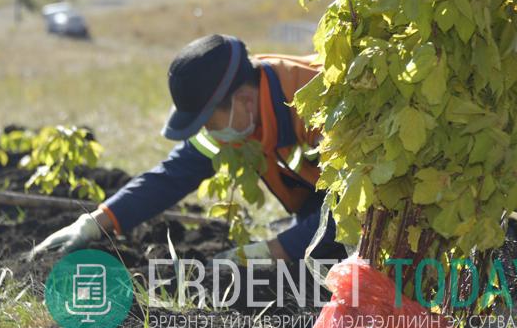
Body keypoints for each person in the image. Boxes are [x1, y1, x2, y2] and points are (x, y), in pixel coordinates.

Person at [32, 34, 342, 264]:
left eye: (208, 122)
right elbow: (176, 173)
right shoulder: (243, 111)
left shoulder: (321, 105)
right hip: (318, 210)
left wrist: (273, 251)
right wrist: (96, 222)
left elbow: (355, 209)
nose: (207, 133)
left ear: (244, 101)